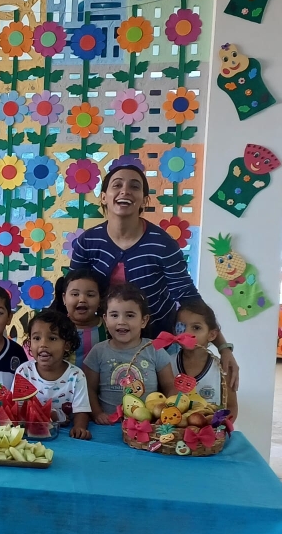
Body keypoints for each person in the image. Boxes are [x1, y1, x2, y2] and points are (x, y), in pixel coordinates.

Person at [70, 163, 239, 390]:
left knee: (156, 407)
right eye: (117, 185)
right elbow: (73, 292)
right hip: (106, 340)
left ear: (144, 200)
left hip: (157, 342)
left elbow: (188, 296)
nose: (125, 191)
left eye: (135, 186)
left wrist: (223, 347)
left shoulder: (163, 244)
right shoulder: (87, 243)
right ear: (103, 197)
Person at [83, 284, 175, 424]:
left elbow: (169, 385)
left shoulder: (154, 349)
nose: (121, 321)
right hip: (109, 425)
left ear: (143, 321)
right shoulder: (98, 351)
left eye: (130, 315)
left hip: (148, 425)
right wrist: (97, 413)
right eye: (114, 315)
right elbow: (89, 388)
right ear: (106, 319)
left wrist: (167, 412)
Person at [15, 310, 91, 440]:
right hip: (29, 433)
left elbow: (81, 410)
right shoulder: (24, 371)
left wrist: (79, 427)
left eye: (52, 338)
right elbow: (18, 408)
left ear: (66, 345)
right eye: (36, 338)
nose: (43, 344)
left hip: (63, 435)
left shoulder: (77, 375)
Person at [172, 299, 238, 420]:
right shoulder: (167, 364)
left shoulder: (222, 369)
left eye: (196, 328)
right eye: (181, 326)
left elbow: (231, 407)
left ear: (212, 335)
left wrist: (219, 430)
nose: (187, 333)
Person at [52, 268, 107, 367]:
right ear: (64, 298)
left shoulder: (108, 327)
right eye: (75, 294)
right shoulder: (56, 329)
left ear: (100, 300)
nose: (82, 299)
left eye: (90, 295)